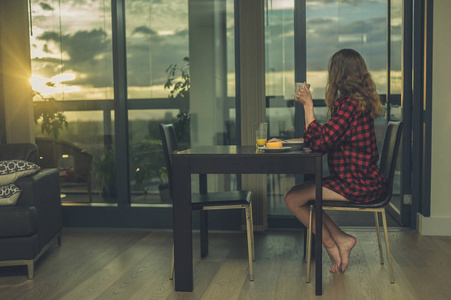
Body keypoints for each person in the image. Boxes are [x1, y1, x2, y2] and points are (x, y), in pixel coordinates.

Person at [273, 49, 386, 273]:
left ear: (338, 75)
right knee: (301, 195)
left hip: (358, 184)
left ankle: (331, 244)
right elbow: (325, 135)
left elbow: (321, 142)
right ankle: (341, 239)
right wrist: (286, 141)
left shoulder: (350, 105)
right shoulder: (355, 104)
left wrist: (308, 106)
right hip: (359, 180)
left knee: (293, 198)